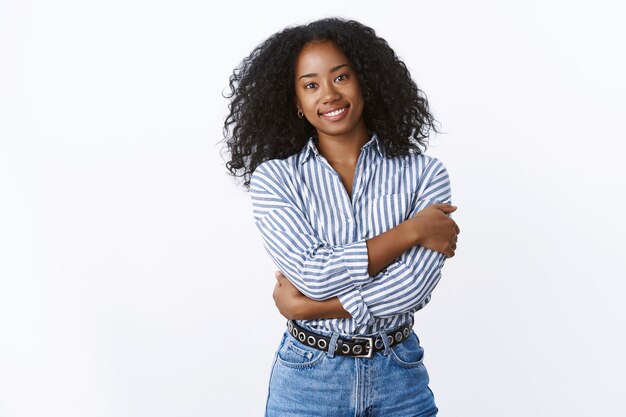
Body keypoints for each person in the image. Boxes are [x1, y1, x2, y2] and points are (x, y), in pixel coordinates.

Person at [223, 17, 460, 417]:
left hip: (399, 376)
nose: (329, 94)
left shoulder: (425, 173)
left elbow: (412, 289)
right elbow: (313, 274)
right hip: (309, 380)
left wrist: (310, 308)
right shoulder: (276, 179)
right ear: (296, 102)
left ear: (366, 80)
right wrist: (412, 230)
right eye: (311, 85)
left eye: (341, 77)